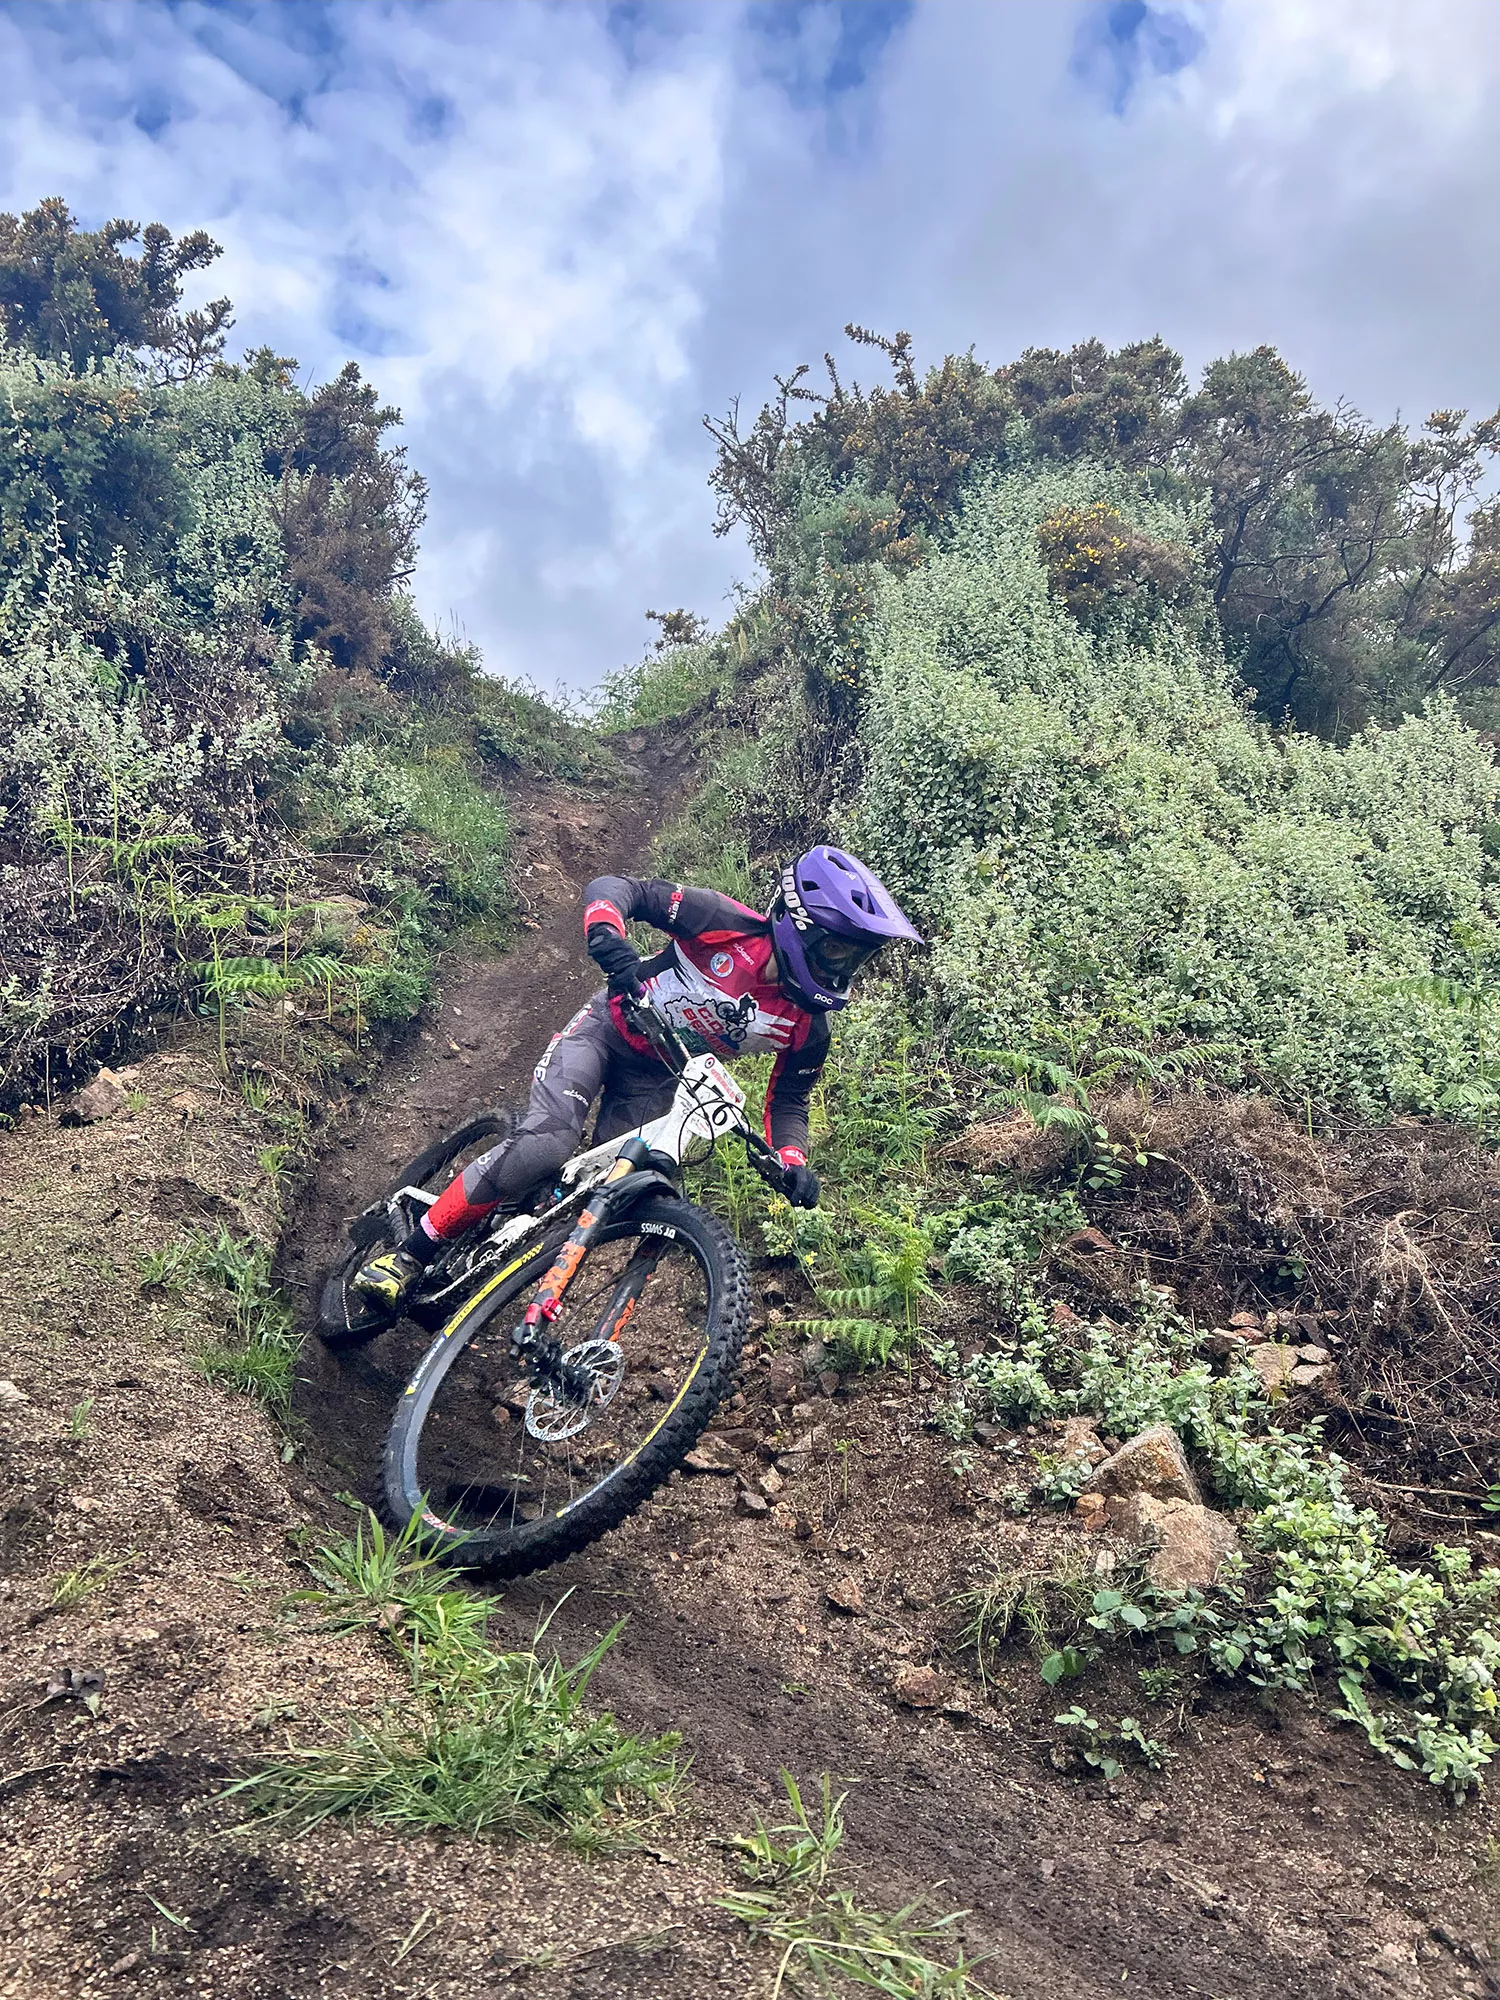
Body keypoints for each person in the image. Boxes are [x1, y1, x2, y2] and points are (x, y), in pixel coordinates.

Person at [351, 845, 922, 1313]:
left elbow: (790, 1101)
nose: (843, 968)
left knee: (610, 1192)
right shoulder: (723, 923)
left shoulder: (808, 1026)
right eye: (837, 950)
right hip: (605, 1031)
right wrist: (608, 934)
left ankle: (492, 1255)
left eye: (855, 958)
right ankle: (410, 1254)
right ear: (799, 925)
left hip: (655, 1080)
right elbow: (619, 888)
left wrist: (791, 1161)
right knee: (548, 1144)